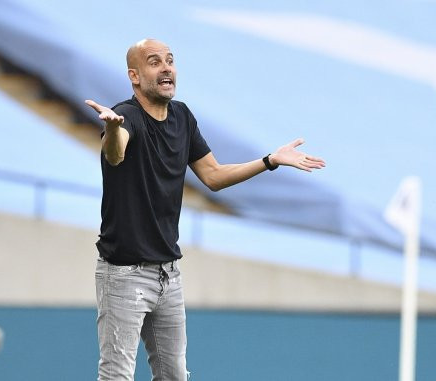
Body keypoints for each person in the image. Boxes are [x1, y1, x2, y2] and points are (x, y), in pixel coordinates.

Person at [85, 38, 325, 381]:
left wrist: (269, 161)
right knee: (117, 375)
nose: (167, 67)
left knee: (175, 376)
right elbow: (115, 153)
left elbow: (212, 176)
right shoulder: (127, 118)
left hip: (168, 273)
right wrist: (112, 128)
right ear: (134, 76)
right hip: (124, 274)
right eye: (155, 62)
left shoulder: (182, 116)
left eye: (170, 60)